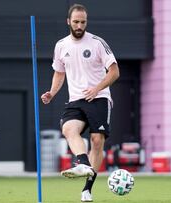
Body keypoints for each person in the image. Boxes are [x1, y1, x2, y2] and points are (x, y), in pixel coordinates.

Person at [41, 3, 120, 202]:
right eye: (75, 22)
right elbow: (59, 73)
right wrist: (52, 93)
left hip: (99, 98)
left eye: (82, 22)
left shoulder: (97, 43)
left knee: (97, 140)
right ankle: (82, 163)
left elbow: (114, 72)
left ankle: (87, 190)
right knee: (68, 129)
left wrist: (97, 88)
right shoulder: (61, 45)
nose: (79, 26)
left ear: (86, 22)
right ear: (68, 21)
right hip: (75, 99)